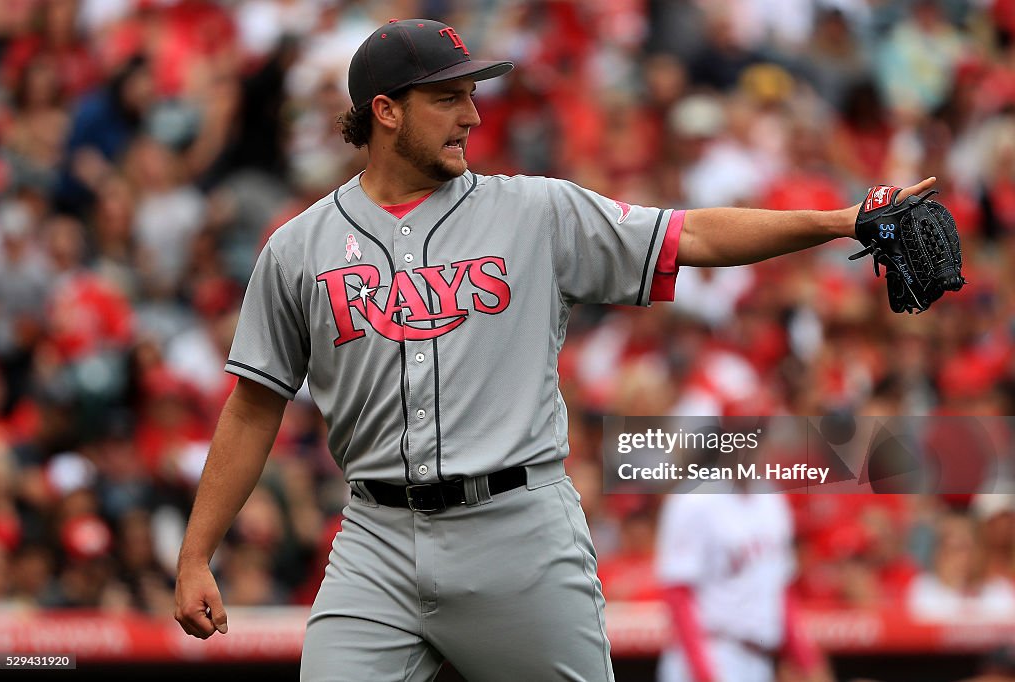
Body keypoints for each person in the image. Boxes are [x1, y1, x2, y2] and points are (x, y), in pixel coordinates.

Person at [173, 18, 937, 682]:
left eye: (473, 93)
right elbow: (253, 406)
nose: (472, 114)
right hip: (375, 537)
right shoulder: (298, 249)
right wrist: (196, 553)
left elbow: (691, 233)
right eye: (448, 97)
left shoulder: (535, 211)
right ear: (385, 112)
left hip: (518, 529)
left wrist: (838, 221)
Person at [655, 492, 830, 682]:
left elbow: (778, 591)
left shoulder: (771, 500)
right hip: (713, 650)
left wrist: (809, 663)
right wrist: (704, 675)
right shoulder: (694, 500)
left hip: (758, 658)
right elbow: (678, 595)